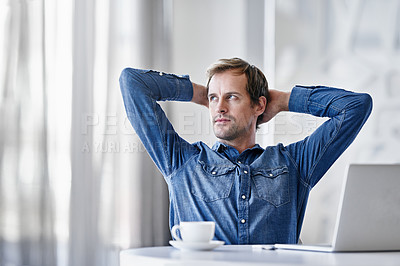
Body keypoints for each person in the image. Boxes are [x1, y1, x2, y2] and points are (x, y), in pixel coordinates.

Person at [119, 58, 372, 245]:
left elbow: (356, 107)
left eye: (232, 97)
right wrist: (200, 94)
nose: (219, 108)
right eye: (214, 99)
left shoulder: (295, 164)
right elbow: (132, 82)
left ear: (259, 105)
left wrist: (284, 100)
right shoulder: (182, 162)